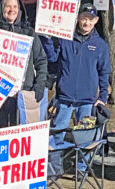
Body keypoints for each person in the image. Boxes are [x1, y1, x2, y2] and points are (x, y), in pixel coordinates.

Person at [40, 3, 111, 173]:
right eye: (84, 18)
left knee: (85, 139)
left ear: (96, 21)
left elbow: (104, 72)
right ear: (78, 19)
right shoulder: (65, 39)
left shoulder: (100, 45)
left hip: (87, 101)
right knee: (57, 135)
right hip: (64, 99)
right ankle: (54, 169)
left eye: (90, 19)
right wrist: (47, 39)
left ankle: (81, 170)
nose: (86, 22)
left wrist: (102, 97)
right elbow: (52, 57)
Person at [0, 0, 47, 127]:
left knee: (22, 135)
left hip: (24, 94)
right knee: (0, 133)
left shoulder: (29, 33)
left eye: (15, 6)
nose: (12, 10)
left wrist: (40, 85)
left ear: (20, 9)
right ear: (1, 9)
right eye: (8, 6)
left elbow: (41, 61)